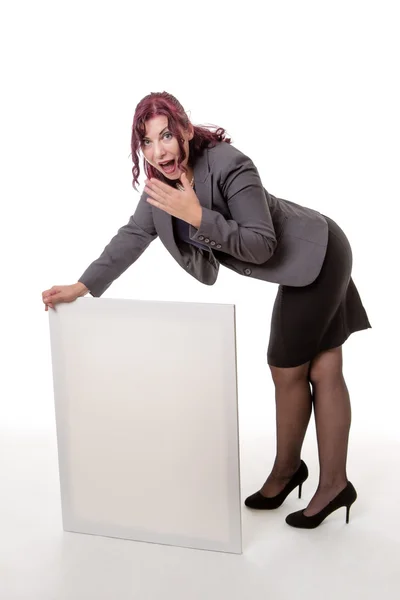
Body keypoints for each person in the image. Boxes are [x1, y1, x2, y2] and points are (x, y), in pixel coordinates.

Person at [42, 91, 371, 529]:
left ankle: (300, 474)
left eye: (166, 136)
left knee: (287, 367)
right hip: (303, 265)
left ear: (183, 130)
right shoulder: (160, 185)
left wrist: (197, 215)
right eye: (146, 142)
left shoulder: (231, 165)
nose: (159, 151)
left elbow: (262, 243)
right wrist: (82, 286)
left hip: (320, 256)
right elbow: (133, 236)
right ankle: (321, 479)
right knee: (324, 368)